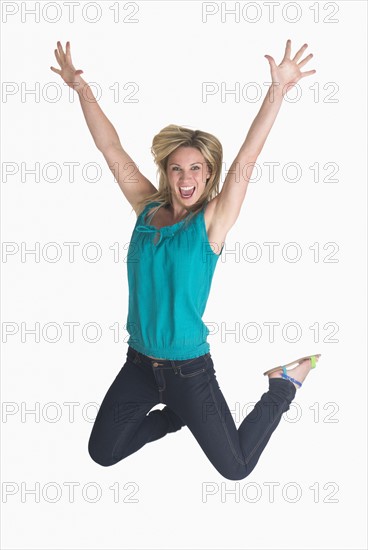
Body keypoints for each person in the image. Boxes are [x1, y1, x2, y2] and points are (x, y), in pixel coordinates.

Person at [51, 39, 321, 480]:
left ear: (209, 173)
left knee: (235, 468)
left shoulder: (211, 223)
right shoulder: (146, 210)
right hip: (138, 365)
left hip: (189, 372)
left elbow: (248, 159)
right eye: (177, 168)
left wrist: (279, 90)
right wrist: (80, 88)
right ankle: (174, 418)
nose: (186, 177)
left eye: (196, 168)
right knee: (102, 452)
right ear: (166, 173)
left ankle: (283, 385)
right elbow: (111, 150)